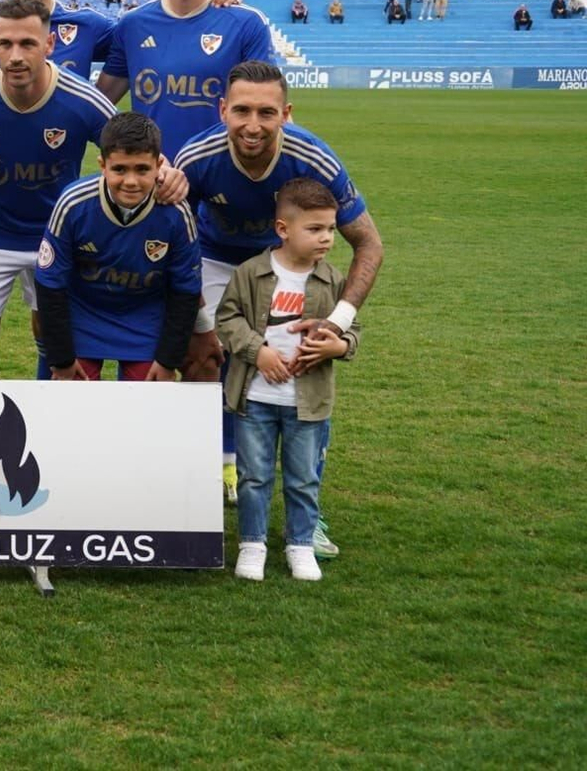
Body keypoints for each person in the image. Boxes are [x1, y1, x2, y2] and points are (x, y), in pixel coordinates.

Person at [175, 60, 383, 548]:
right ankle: (197, 487)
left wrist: (338, 321)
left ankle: (307, 519)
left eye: (266, 113)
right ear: (222, 110)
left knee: (302, 370)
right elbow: (173, 237)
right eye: (241, 110)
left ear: (286, 113)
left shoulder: (316, 160)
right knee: (204, 360)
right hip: (214, 261)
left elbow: (369, 244)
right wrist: (199, 317)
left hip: (290, 268)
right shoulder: (198, 156)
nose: (253, 125)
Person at [0, 0, 116, 380]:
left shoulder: (81, 99)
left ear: (49, 44)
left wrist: (166, 172)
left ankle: (50, 434)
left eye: (28, 44)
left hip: (55, 236)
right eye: (6, 44)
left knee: (56, 342)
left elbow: (129, 148)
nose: (16, 56)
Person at [219, 178, 360, 583]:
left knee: (303, 478)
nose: (327, 239)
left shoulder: (333, 281)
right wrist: (257, 351)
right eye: (315, 229)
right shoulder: (251, 274)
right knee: (254, 476)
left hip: (308, 404)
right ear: (283, 229)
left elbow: (353, 331)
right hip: (254, 400)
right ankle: (252, 544)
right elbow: (227, 320)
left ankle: (299, 545)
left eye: (331, 229)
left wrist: (340, 346)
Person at [34, 111, 201, 383]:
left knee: (144, 410)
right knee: (71, 407)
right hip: (83, 317)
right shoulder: (73, 204)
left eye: (142, 169)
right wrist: (62, 359)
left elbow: (186, 290)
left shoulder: (176, 213)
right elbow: (50, 285)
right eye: (120, 169)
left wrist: (167, 360)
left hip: (143, 318)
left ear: (159, 165)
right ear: (102, 165)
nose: (131, 181)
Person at [98, 0, 274, 159]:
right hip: (154, 178)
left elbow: (270, 109)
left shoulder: (246, 23)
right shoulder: (133, 24)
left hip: (219, 178)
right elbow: (96, 106)